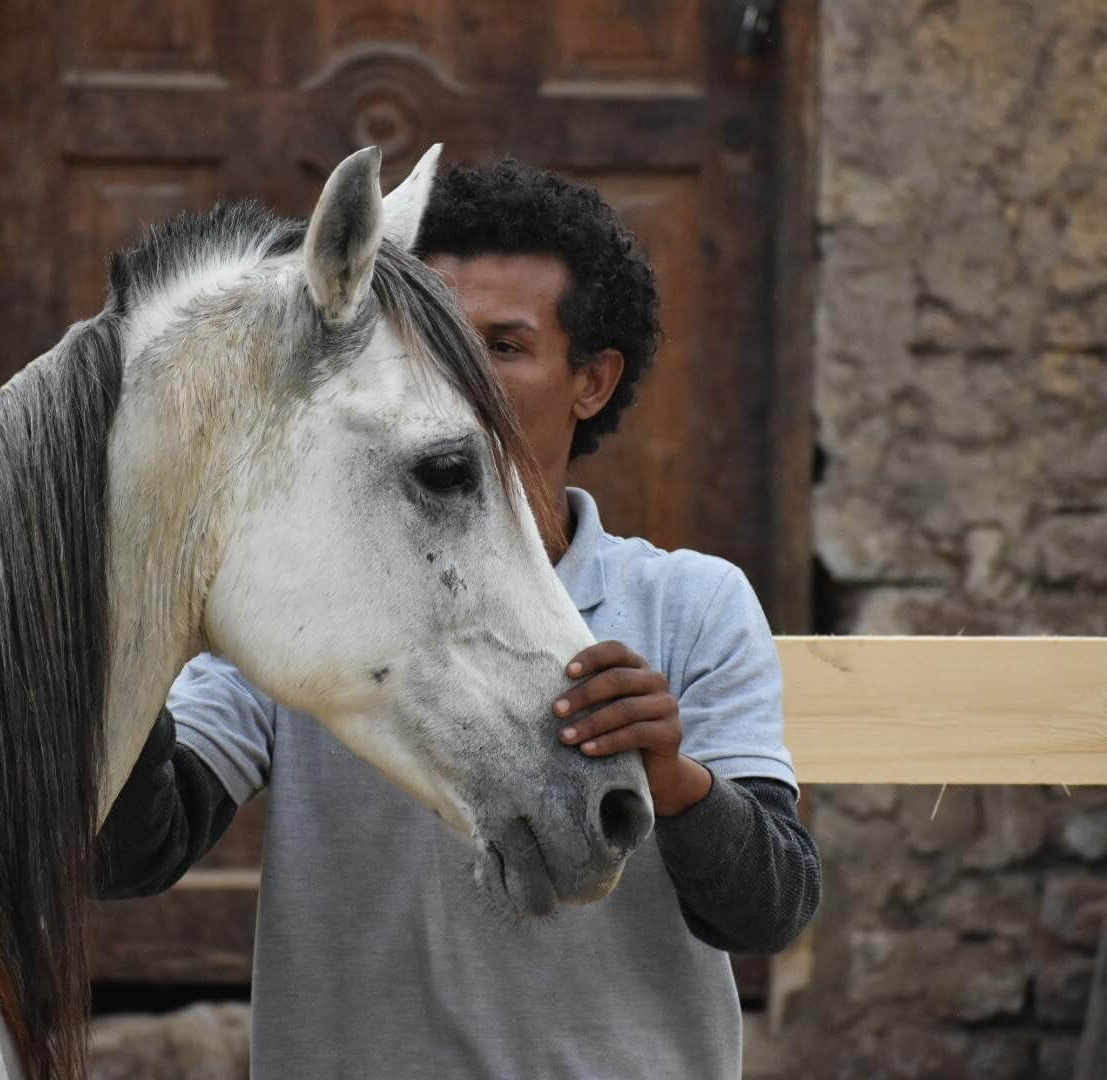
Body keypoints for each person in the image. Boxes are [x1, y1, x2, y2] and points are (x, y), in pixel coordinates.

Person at [95, 159, 821, 1080]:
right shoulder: (309, 595)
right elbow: (132, 852)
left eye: (504, 346)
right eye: (431, 338)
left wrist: (676, 781)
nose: (458, 374)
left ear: (592, 380)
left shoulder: (692, 603)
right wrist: (134, 618)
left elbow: (771, 910)